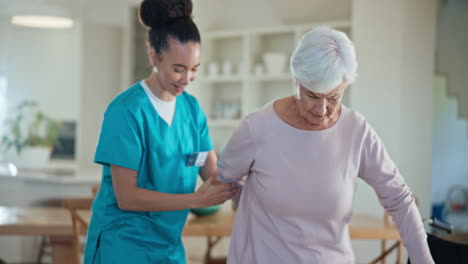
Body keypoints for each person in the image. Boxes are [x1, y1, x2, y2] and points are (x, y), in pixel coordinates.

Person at [217, 26, 434, 264]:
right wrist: (253, 211)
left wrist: (424, 260)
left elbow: (400, 199)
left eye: (333, 98)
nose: (321, 111)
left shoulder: (356, 131)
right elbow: (225, 178)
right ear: (296, 80)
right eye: (312, 95)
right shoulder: (257, 127)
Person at [83, 0, 237, 263]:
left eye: (194, 69)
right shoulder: (126, 111)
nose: (187, 79)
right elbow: (127, 197)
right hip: (122, 246)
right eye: (178, 69)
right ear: (154, 57)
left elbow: (214, 174)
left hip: (168, 247)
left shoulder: (191, 110)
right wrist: (195, 199)